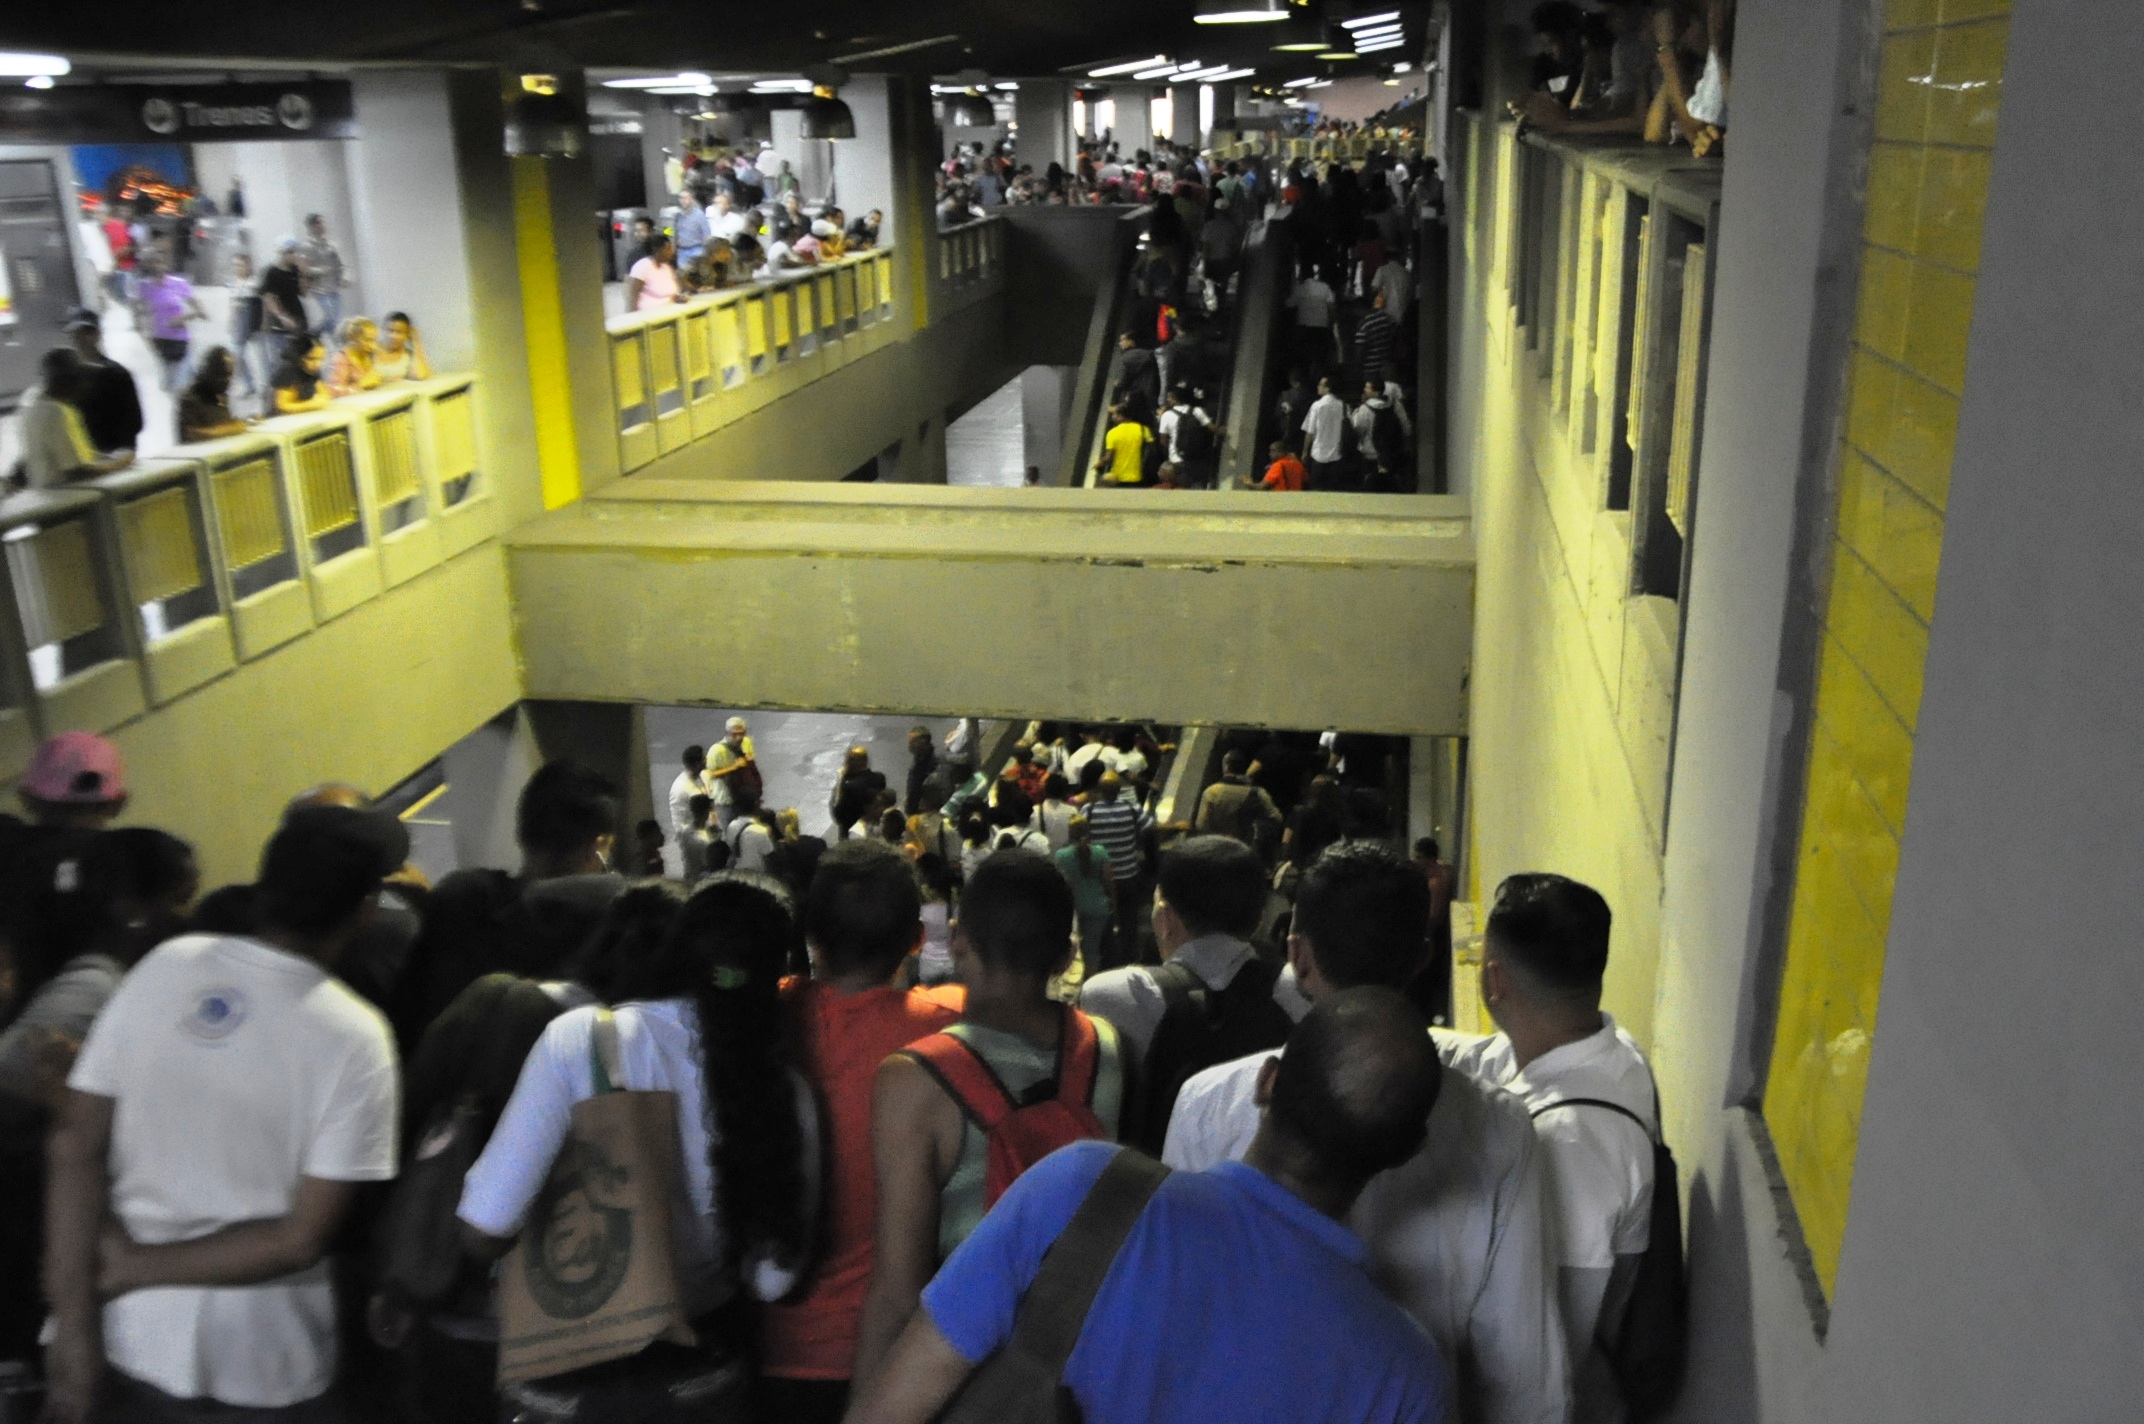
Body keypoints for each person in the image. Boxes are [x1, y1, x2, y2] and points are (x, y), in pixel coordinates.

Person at [845, 989, 1452, 1424]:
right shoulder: (1405, 1377)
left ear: (1266, 1082)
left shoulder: (1082, 1189)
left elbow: (891, 1406)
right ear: (1406, 1152)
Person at [1166, 843, 1570, 1424]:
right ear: (1423, 958)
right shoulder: (1499, 1128)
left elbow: (1186, 1304)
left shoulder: (1206, 1103)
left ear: (1297, 957)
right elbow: (1524, 1377)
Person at [42, 804, 406, 1424]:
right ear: (366, 909)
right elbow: (300, 1239)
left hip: (129, 1342)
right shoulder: (355, 1037)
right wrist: (132, 1269)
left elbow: (74, 1144)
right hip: (265, 1362)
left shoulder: (166, 966)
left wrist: (75, 1329)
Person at [459, 874, 822, 1422]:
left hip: (575, 1379)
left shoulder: (585, 1041)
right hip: (705, 1380)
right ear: (777, 977)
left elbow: (487, 1224)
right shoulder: (781, 1088)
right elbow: (774, 1280)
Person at [851, 850, 1124, 1386]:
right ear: (1067, 956)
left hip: (977, 1371)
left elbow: (897, 1291)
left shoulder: (915, 1077)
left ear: (956, 939)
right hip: (1086, 1358)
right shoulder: (1103, 1046)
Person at [1442, 873, 1657, 1423]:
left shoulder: (1564, 1145)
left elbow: (1550, 1344)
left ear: (1494, 981)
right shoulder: (1613, 1050)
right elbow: (1489, 1058)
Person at [760, 841, 963, 1424]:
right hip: (899, 1355)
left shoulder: (761, 1016)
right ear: (916, 941)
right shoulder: (948, 1034)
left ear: (811, 937)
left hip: (766, 1340)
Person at [386, 760, 627, 1051]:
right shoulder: (612, 927)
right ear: (597, 848)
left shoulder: (461, 900)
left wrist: (433, 905)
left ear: (521, 830)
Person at [1080, 835, 1290, 1151]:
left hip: (1157, 1186)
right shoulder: (1296, 994)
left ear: (1164, 919)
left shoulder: (1110, 995)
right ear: (1259, 921)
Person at [15, 350, 133, 488]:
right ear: (66, 381)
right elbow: (76, 471)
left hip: (43, 488)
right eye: (81, 379)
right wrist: (120, 463)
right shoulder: (53, 412)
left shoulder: (31, 399)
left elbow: (67, 453)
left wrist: (108, 458)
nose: (86, 385)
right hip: (65, 495)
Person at [1075, 771, 1151, 970]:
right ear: (1119, 791)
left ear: (1100, 790)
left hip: (1100, 878)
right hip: (1128, 874)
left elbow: (1079, 838)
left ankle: (1106, 960)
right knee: (1129, 919)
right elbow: (1150, 827)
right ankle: (1130, 959)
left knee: (1103, 920)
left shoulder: (1088, 811)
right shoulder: (1132, 808)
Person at [61, 307, 143, 455]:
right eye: (75, 334)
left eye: (86, 332)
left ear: (98, 334)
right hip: (84, 458)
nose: (80, 338)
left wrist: (119, 454)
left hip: (117, 455)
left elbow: (134, 421)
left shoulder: (117, 374)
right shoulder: (68, 377)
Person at [134, 249, 208, 391]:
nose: (156, 266)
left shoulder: (178, 283)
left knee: (178, 384)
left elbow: (200, 310)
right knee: (168, 384)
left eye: (159, 262)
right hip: (160, 341)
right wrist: (145, 336)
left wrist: (183, 318)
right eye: (152, 263)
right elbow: (140, 315)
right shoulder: (144, 287)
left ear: (165, 265)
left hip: (180, 339)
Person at [1054, 813, 1115, 982]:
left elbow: (1061, 884)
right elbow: (1108, 881)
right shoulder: (1100, 852)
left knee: (1072, 950)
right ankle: (1091, 986)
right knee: (1092, 951)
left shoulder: (1061, 856)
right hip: (1098, 906)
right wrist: (1113, 904)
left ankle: (1073, 985)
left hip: (1073, 909)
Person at [1195, 750, 1286, 856]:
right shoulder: (1258, 793)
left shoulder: (1211, 792)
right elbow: (1276, 818)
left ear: (1226, 767)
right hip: (1244, 849)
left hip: (1216, 848)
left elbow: (1201, 825)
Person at [1410, 838, 1457, 1025]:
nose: (1415, 860)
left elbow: (1434, 918)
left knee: (1425, 985)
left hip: (1433, 941)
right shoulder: (1441, 870)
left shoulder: (1435, 883)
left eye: (1419, 857)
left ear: (1429, 859)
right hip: (1433, 940)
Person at [176, 346, 249, 442]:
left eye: (230, 375)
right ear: (210, 372)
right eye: (223, 376)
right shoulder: (190, 398)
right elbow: (192, 435)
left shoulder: (220, 395)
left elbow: (225, 424)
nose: (228, 381)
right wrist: (230, 429)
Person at [298, 213, 349, 336]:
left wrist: (344, 276)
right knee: (331, 318)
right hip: (319, 290)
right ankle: (316, 334)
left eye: (323, 223)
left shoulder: (331, 245)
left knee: (336, 320)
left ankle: (320, 336)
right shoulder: (306, 247)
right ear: (312, 226)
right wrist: (320, 270)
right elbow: (304, 269)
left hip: (333, 288)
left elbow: (340, 264)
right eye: (319, 223)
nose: (323, 226)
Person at [1301, 376, 1351, 491]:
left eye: (1320, 385)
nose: (1318, 387)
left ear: (1328, 388)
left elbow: (1310, 431)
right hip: (1337, 453)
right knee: (1333, 490)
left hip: (1318, 452)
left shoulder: (1316, 406)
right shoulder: (1343, 406)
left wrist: (1305, 451)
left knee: (1316, 489)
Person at [259, 238, 309, 350]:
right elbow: (268, 298)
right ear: (282, 253)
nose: (294, 255)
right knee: (280, 357)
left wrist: (303, 273)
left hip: (297, 317)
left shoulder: (295, 270)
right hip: (278, 322)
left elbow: (303, 293)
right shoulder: (271, 272)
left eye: (295, 252)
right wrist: (282, 316)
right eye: (290, 252)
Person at [1094, 404, 1154, 487]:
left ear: (1120, 416)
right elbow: (1151, 449)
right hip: (1140, 476)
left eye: (1114, 414)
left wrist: (1100, 463)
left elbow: (1109, 457)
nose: (1113, 417)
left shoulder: (1112, 433)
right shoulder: (1143, 429)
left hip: (1118, 477)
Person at [271, 337, 333, 414]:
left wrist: (322, 399)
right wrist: (311, 404)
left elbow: (324, 393)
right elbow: (282, 405)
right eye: (311, 358)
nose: (317, 364)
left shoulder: (313, 370)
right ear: (299, 356)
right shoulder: (287, 371)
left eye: (320, 359)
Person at [325, 316, 382, 398]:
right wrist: (361, 384)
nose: (373, 346)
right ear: (352, 338)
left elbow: (372, 381)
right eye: (367, 340)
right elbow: (333, 392)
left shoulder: (366, 356)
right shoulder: (340, 359)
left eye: (374, 340)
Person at [1105, 332, 1159, 417]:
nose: (1120, 343)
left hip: (1140, 400)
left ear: (1131, 341)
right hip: (1156, 394)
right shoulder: (1151, 354)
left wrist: (1116, 383)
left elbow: (1121, 382)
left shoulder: (1126, 358)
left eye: (1123, 340)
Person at [1356, 288, 1401, 389]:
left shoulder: (1364, 324)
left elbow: (1360, 350)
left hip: (1370, 369)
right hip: (1386, 366)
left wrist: (1359, 367)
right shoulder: (1389, 320)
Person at [627, 232, 684, 312]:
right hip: (649, 314)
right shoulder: (642, 267)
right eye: (668, 249)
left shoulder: (667, 268)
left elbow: (671, 291)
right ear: (657, 250)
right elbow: (633, 299)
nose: (671, 253)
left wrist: (678, 297)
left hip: (669, 310)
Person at [374, 310, 431, 383]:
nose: (393, 336)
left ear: (407, 334)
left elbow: (420, 375)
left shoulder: (408, 356)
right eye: (390, 330)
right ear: (382, 330)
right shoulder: (371, 351)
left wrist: (416, 342)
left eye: (399, 332)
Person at [669, 744, 712, 837]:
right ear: (697, 764)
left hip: (701, 830)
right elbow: (680, 821)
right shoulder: (681, 788)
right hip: (691, 836)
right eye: (704, 758)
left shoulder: (700, 777)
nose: (706, 760)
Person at [679, 794, 718, 882]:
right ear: (707, 812)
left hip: (692, 876)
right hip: (700, 878)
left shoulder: (685, 831)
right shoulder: (695, 837)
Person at [903, 725, 939, 816]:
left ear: (923, 742)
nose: (910, 745)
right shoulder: (918, 761)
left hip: (927, 812)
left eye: (912, 742)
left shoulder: (936, 762)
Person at [673, 188, 711, 269]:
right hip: (682, 250)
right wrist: (666, 230)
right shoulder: (676, 215)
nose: (683, 200)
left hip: (696, 249)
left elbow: (706, 233)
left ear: (691, 199)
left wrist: (706, 251)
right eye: (681, 198)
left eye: (686, 198)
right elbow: (672, 232)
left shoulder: (699, 215)